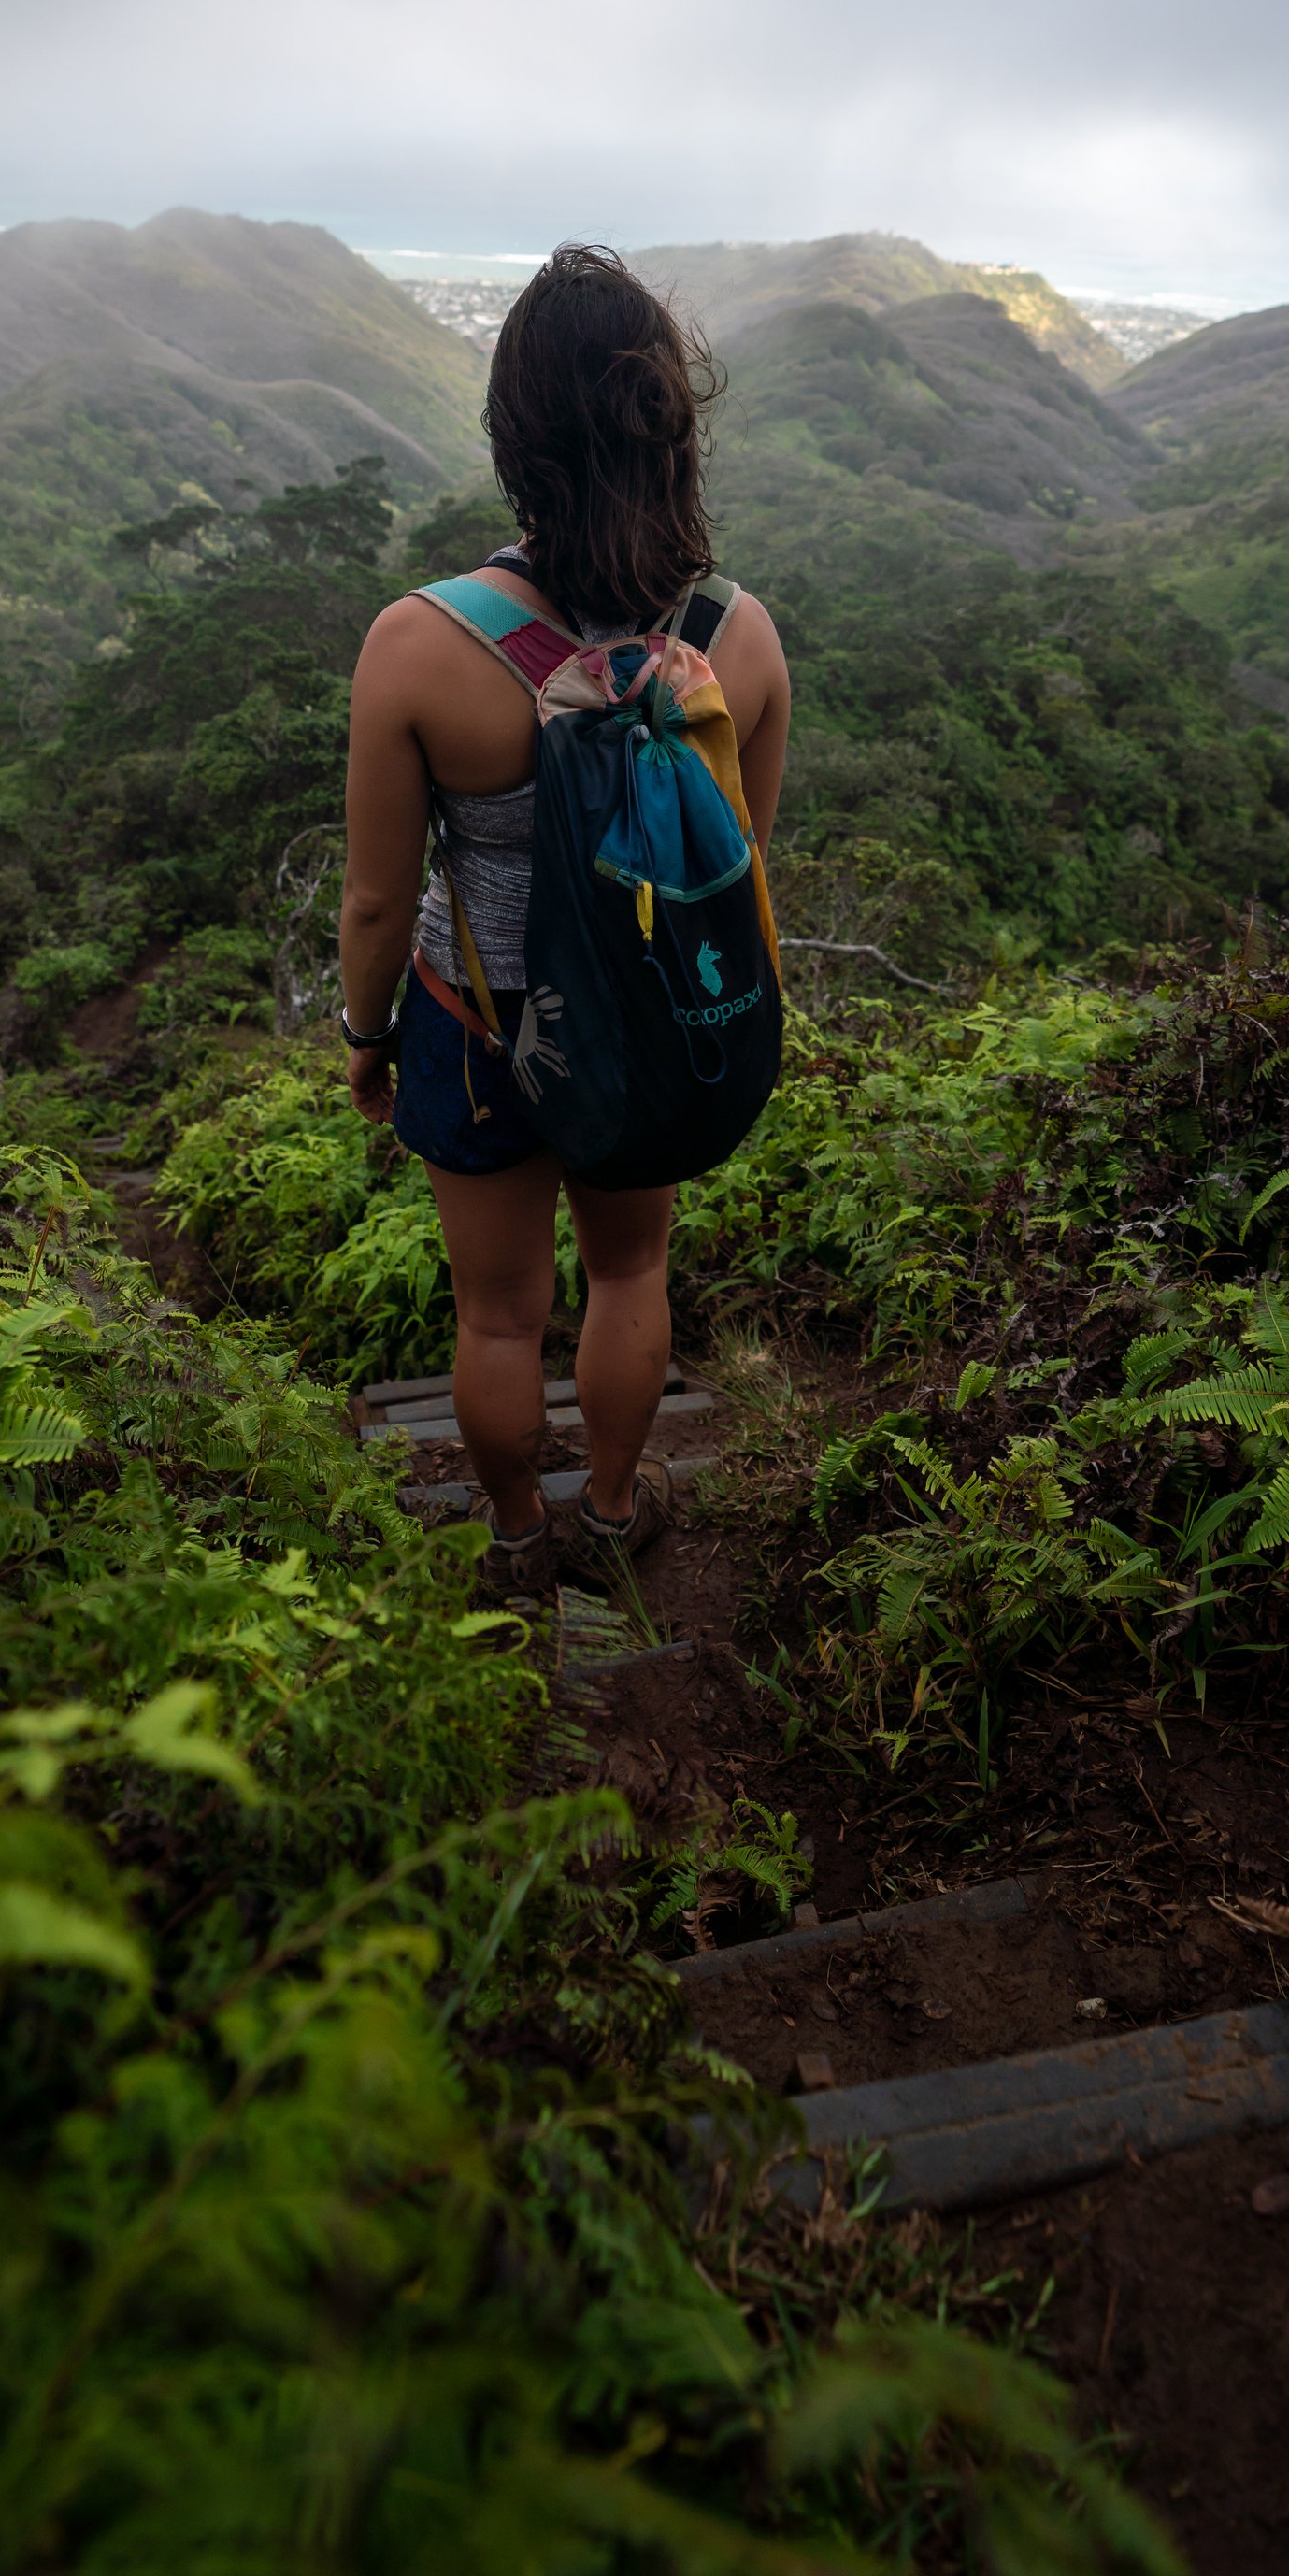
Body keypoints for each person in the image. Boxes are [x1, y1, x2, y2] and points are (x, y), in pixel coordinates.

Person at [339, 244, 790, 1597]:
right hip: (642, 1028)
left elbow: (372, 894)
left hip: (474, 1025)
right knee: (630, 1272)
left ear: (512, 439)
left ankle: (516, 1538)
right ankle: (608, 1514)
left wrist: (368, 1034)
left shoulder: (419, 644)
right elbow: (742, 860)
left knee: (495, 1315)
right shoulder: (741, 637)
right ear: (669, 432)